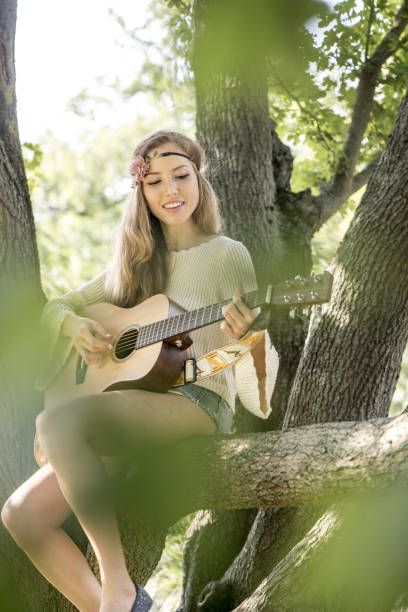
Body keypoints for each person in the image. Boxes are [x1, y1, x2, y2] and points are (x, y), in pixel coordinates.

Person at [1, 130, 279, 612]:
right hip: (130, 405)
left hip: (197, 397)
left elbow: (242, 359)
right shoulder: (133, 263)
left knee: (58, 423)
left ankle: (117, 585)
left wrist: (246, 334)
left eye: (180, 177)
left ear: (199, 180)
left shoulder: (228, 252)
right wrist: (74, 327)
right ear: (142, 193)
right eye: (154, 182)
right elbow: (61, 305)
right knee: (22, 515)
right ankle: (126, 608)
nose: (170, 192)